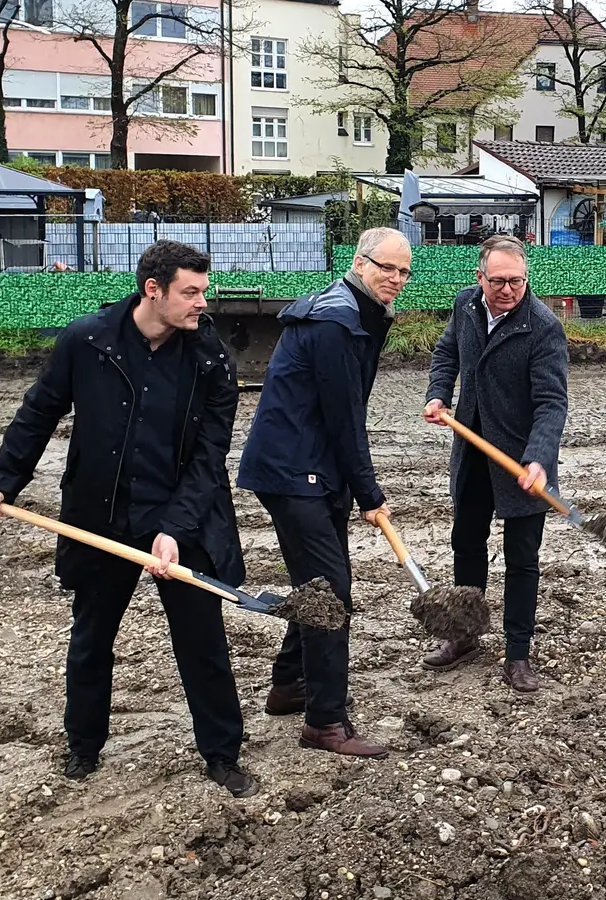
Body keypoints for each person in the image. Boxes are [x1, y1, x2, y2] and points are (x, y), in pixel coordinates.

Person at [0, 240, 257, 798]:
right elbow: (38, 413)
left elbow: (209, 455)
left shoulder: (210, 356)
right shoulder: (88, 341)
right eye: (191, 292)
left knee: (201, 641)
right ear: (153, 290)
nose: (204, 302)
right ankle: (83, 744)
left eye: (205, 290)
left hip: (184, 517)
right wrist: (1, 482)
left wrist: (174, 530)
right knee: (92, 636)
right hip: (100, 516)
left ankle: (222, 754)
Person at [235, 227, 410, 759]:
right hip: (293, 469)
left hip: (311, 468)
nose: (396, 280)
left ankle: (290, 684)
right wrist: (370, 493)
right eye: (387, 268)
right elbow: (344, 420)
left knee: (319, 585)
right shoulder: (336, 323)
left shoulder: (353, 313)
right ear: (360, 263)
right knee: (331, 594)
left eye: (404, 271)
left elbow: (344, 416)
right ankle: (325, 723)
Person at [422, 236, 569, 692]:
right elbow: (447, 352)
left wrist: (539, 459)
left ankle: (518, 655)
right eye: (498, 281)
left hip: (522, 461)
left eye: (517, 281)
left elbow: (551, 402)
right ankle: (464, 636)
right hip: (472, 451)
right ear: (479, 278)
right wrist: (439, 392)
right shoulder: (466, 306)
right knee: (466, 543)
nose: (508, 290)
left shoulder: (541, 326)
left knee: (522, 559)